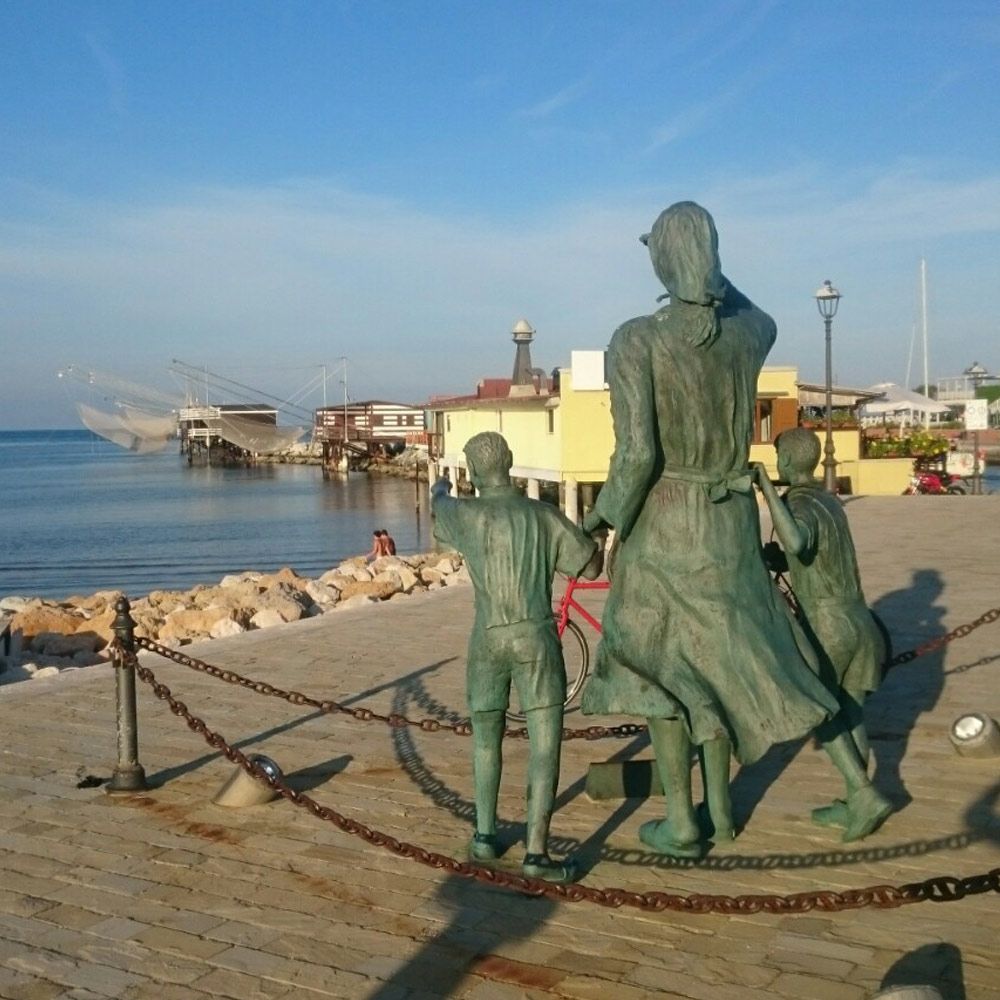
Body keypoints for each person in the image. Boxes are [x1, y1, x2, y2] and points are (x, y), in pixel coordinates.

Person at [581, 201, 891, 855]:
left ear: (661, 259)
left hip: (666, 528)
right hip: (729, 526)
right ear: (713, 257)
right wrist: (713, 276)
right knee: (783, 661)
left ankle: (686, 823)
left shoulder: (637, 339)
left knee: (659, 671)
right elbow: (762, 315)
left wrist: (601, 517)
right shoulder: (746, 335)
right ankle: (858, 787)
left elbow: (636, 456)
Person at [431, 431, 604, 882]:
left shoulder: (465, 515)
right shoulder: (543, 515)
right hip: (536, 640)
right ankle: (536, 852)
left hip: (487, 640)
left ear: (471, 471)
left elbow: (439, 514)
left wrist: (439, 489)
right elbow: (588, 567)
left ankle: (485, 835)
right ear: (509, 462)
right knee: (545, 745)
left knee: (486, 740)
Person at [754, 428, 886, 826]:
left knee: (819, 709)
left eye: (779, 458)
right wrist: (775, 561)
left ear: (790, 461)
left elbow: (795, 540)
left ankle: (863, 794)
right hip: (859, 619)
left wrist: (766, 489)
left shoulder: (800, 501)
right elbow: (809, 556)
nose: (778, 464)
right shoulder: (830, 499)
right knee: (851, 712)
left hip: (828, 625)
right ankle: (855, 798)